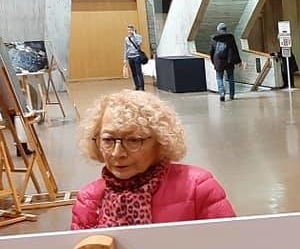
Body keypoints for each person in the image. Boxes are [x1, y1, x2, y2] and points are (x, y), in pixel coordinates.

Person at [72, 90, 235, 229]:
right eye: (108, 140)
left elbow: (232, 246)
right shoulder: (89, 200)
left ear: (160, 141)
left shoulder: (197, 188)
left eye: (133, 140)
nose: (117, 153)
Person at [209, 23, 243, 101]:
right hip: (229, 61)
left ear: (218, 30)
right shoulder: (230, 37)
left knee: (219, 78)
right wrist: (239, 61)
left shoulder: (214, 38)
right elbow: (235, 49)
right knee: (231, 77)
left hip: (218, 61)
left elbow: (211, 51)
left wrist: (213, 61)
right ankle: (231, 95)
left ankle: (222, 93)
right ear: (225, 29)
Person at [122, 25, 146, 91]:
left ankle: (142, 87)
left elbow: (139, 43)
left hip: (137, 56)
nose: (129, 31)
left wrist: (134, 35)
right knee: (133, 72)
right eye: (128, 30)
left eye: (130, 30)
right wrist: (125, 58)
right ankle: (137, 86)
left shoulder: (138, 36)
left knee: (139, 72)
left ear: (133, 30)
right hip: (130, 57)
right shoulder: (126, 39)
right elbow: (125, 49)